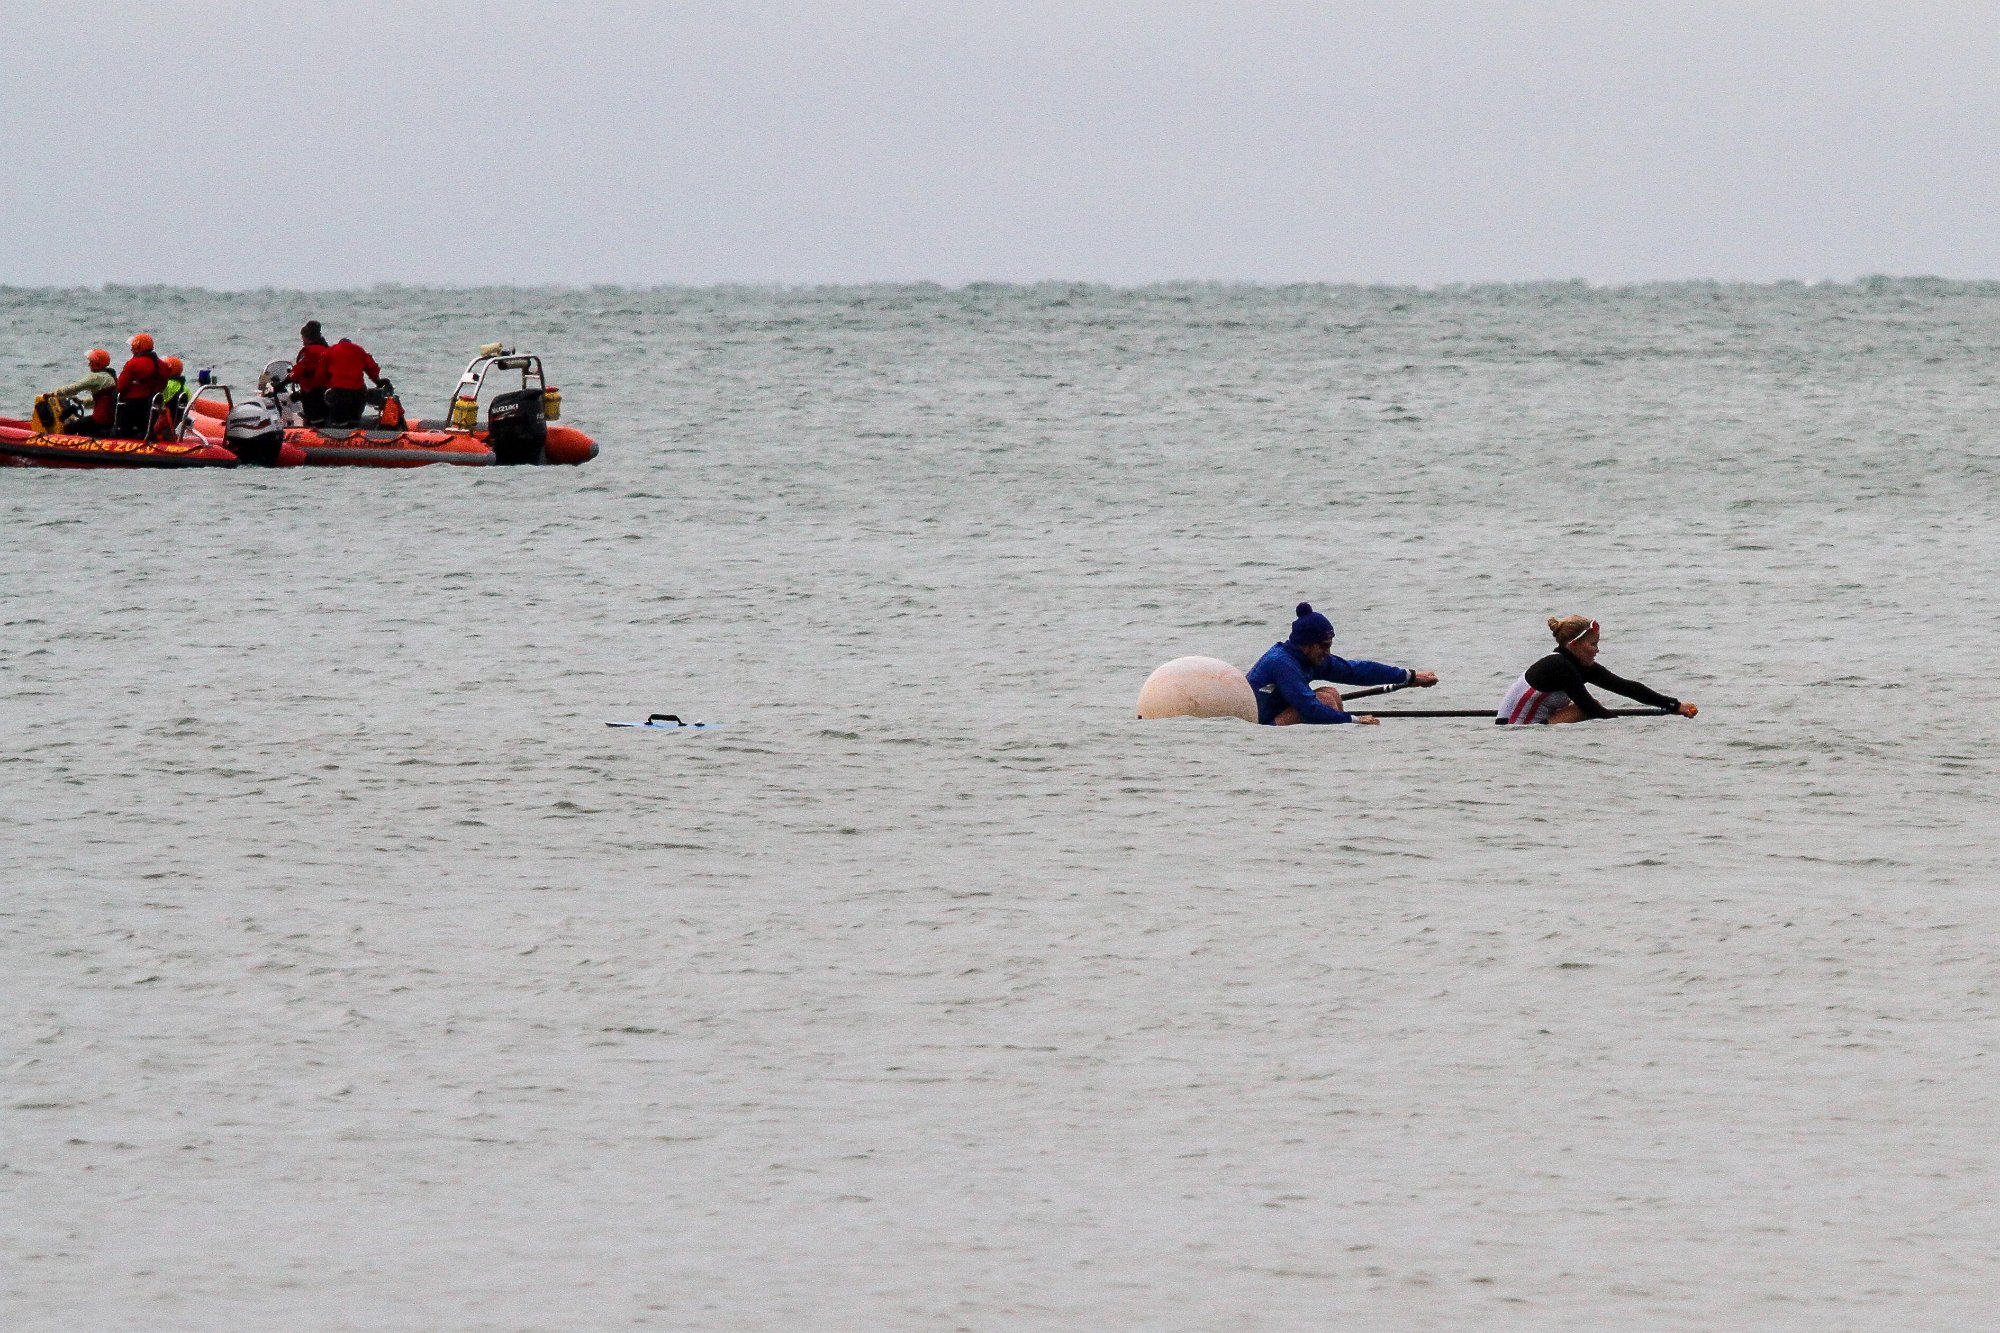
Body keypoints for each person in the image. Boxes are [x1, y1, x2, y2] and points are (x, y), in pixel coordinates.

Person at [1247, 601, 1439, 726]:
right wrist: (1354, 720)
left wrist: (1409, 677)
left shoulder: (1309, 658)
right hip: (1261, 724)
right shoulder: (1283, 664)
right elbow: (1311, 708)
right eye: (1324, 646)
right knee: (1325, 701)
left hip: (1277, 713)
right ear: (1307, 644)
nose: (1328, 652)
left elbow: (1357, 671)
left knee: (1331, 694)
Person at [1497, 615, 1698, 725]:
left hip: (1532, 724)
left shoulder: (1578, 665)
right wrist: (1626, 732)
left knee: (1592, 706)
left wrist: (1674, 705)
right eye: (1592, 644)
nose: (1597, 650)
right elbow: (1589, 709)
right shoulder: (1559, 666)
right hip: (1513, 730)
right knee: (1589, 706)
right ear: (1574, 645)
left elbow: (1627, 688)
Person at [48, 348, 118, 435]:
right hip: (108, 419)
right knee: (82, 425)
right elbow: (103, 399)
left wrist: (55, 393)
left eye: (91, 361)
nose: (89, 364)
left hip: (99, 419)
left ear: (97, 363)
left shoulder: (96, 377)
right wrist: (82, 402)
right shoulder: (110, 377)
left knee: (69, 428)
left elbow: (75, 388)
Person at [114, 332, 169, 437]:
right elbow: (163, 384)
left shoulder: (133, 364)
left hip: (133, 405)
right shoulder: (162, 365)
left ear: (138, 347)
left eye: (132, 346)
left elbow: (121, 386)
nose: (131, 349)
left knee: (115, 399)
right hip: (153, 404)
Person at [323, 335, 382, 427]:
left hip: (339, 391)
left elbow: (323, 370)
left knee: (339, 422)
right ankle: (354, 430)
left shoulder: (331, 350)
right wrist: (377, 381)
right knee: (354, 420)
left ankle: (338, 432)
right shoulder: (359, 350)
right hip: (357, 390)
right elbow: (372, 368)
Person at [291, 320, 331, 425]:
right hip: (328, 392)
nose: (302, 340)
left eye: (303, 337)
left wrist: (285, 381)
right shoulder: (328, 350)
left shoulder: (309, 352)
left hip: (312, 393)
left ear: (307, 337)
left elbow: (298, 371)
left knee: (314, 419)